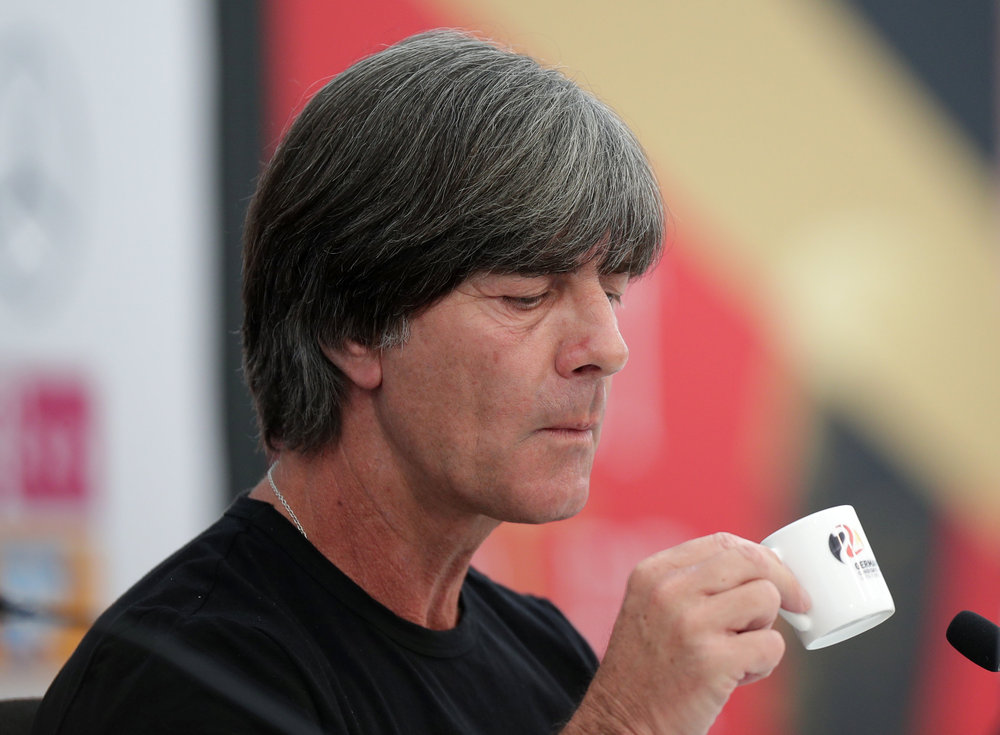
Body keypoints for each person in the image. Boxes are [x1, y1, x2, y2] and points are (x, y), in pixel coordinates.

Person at [32, 29, 809, 735]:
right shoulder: (192, 674)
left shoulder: (541, 650)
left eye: (611, 293)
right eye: (525, 295)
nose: (607, 348)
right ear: (354, 325)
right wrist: (626, 724)